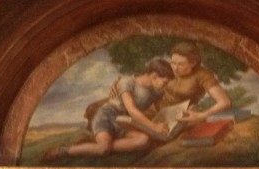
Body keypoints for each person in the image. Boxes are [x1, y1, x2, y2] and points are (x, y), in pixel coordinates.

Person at [43, 58, 175, 160]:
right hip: (107, 116)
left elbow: (161, 110)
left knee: (143, 140)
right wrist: (154, 127)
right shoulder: (127, 82)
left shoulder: (158, 92)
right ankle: (65, 150)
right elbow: (132, 110)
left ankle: (93, 144)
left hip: (125, 123)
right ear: (154, 76)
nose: (165, 86)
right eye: (164, 82)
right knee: (103, 149)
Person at [157, 41, 232, 125]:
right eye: (173, 63)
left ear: (193, 63)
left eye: (181, 64)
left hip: (176, 117)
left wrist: (202, 115)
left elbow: (224, 102)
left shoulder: (202, 75)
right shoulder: (168, 69)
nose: (175, 68)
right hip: (155, 110)